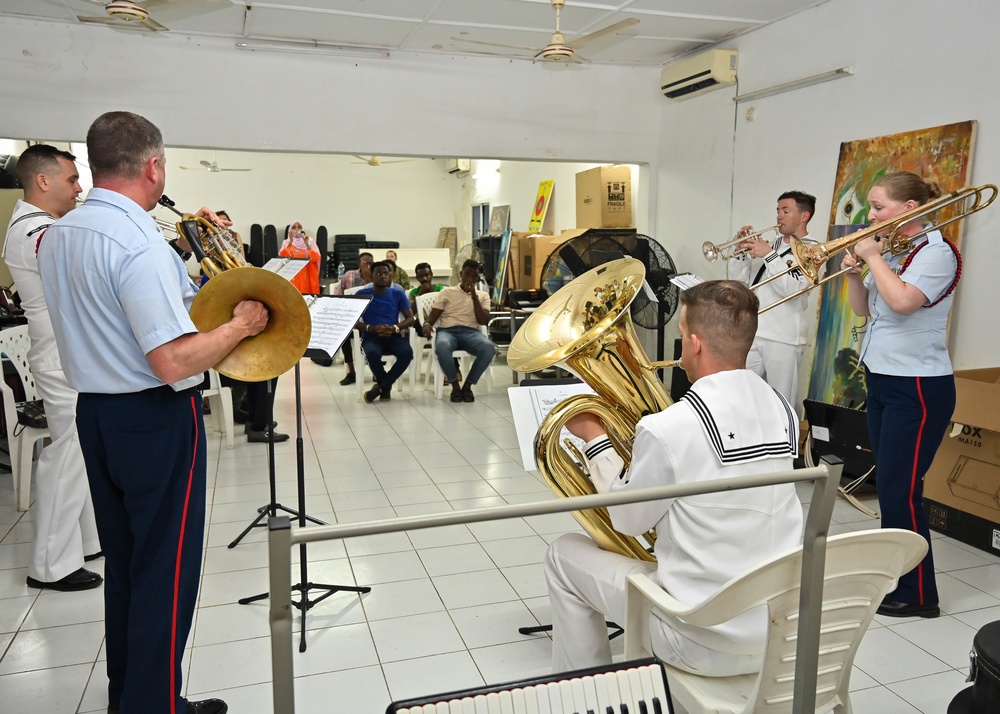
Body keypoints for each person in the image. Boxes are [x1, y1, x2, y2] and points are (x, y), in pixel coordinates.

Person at [37, 110, 269, 714]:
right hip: (155, 417)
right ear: (155, 165)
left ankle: (136, 696)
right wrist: (242, 323)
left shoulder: (61, 231)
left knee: (131, 564)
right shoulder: (137, 240)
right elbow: (170, 360)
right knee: (167, 571)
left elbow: (123, 316)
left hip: (98, 414)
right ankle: (156, 707)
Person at [544, 280, 802, 675]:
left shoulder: (670, 427)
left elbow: (628, 523)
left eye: (681, 335)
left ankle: (587, 691)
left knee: (563, 554)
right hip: (776, 630)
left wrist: (596, 440)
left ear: (695, 343)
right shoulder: (784, 409)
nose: (682, 346)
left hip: (697, 637)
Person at [841, 171, 957, 619]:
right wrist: (856, 273)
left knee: (900, 490)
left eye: (879, 208)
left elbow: (906, 301)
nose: (871, 217)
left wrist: (870, 257)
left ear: (910, 210)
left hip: (919, 387)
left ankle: (919, 594)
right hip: (886, 379)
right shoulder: (899, 253)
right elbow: (864, 308)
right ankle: (901, 579)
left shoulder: (936, 253)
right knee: (890, 486)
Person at [3, 144, 103, 592]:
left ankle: (85, 542)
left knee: (79, 452)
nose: (79, 189)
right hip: (62, 360)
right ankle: (49, 564)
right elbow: (90, 264)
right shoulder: (34, 231)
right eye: (72, 180)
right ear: (42, 181)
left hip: (69, 355)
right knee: (67, 455)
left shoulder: (44, 226)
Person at [728, 191, 818, 412]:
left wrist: (769, 256)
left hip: (784, 336)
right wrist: (739, 252)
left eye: (786, 211)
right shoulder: (771, 244)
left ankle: (785, 445)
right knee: (739, 393)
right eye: (778, 210)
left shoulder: (812, 249)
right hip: (755, 330)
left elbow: (794, 289)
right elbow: (740, 284)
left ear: (804, 216)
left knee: (781, 402)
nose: (779, 216)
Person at [422, 259, 496, 403]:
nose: (470, 279)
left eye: (474, 277)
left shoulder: (483, 295)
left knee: (489, 348)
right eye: (467, 275)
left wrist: (474, 296)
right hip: (447, 331)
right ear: (461, 274)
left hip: (471, 332)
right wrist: (426, 324)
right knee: (442, 346)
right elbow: (433, 316)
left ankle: (467, 386)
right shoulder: (447, 292)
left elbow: (482, 321)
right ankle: (455, 386)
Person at [355, 261, 414, 403]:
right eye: (379, 273)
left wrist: (395, 328)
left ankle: (383, 386)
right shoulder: (362, 294)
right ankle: (385, 388)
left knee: (407, 353)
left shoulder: (397, 294)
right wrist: (372, 328)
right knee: (373, 353)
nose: (383, 277)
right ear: (372, 276)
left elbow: (411, 318)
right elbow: (352, 321)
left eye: (386, 274)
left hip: (393, 335)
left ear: (391, 276)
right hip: (371, 336)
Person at [331, 251, 373, 384]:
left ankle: (376, 370)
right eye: (365, 263)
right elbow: (338, 297)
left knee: (378, 333)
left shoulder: (376, 276)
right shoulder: (349, 275)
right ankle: (351, 371)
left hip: (371, 318)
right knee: (343, 334)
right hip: (352, 317)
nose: (368, 266)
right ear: (359, 264)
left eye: (371, 263)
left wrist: (368, 275)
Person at [279, 221, 321, 294]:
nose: (297, 229)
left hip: (306, 276)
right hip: (291, 276)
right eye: (294, 227)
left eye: (299, 227)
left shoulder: (310, 241)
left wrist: (307, 245)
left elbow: (316, 258)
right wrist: (290, 242)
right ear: (290, 230)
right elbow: (282, 258)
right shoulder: (286, 243)